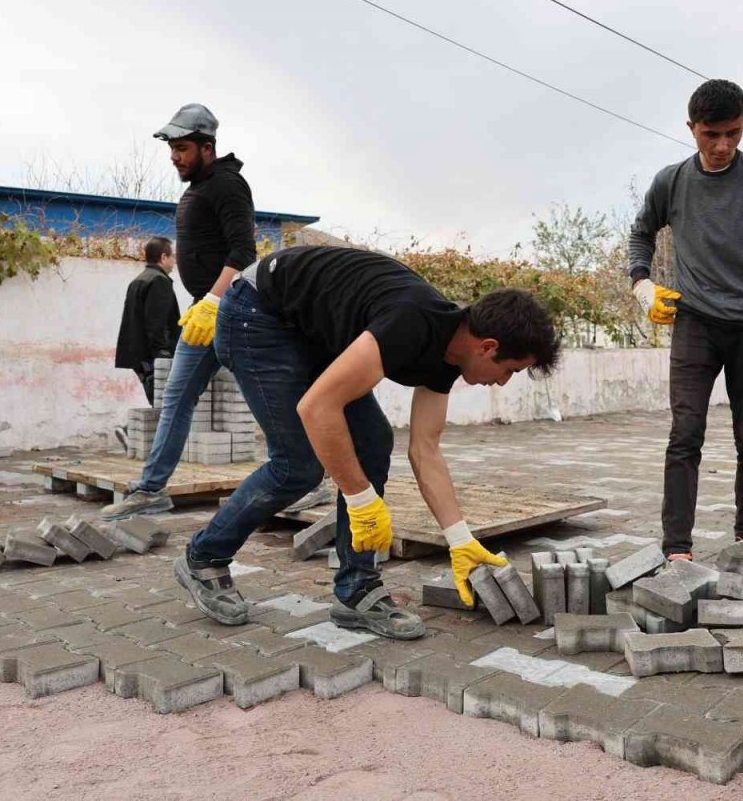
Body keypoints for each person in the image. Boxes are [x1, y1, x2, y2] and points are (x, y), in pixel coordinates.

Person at [173, 245, 562, 639]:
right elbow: (317, 408)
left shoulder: (447, 353)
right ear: (488, 346)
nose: (503, 382)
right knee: (298, 464)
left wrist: (460, 540)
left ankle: (356, 591)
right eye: (510, 370)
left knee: (373, 441)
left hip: (307, 329)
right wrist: (360, 500)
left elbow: (425, 449)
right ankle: (204, 558)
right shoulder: (410, 322)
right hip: (256, 313)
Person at [626, 79, 743, 563]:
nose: (722, 145)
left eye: (733, 133)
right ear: (692, 129)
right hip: (695, 327)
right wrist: (641, 284)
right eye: (711, 135)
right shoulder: (671, 181)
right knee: (685, 435)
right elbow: (641, 234)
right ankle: (677, 549)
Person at [101, 103, 258, 519]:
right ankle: (151, 489)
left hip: (234, 309)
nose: (174, 155)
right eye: (172, 147)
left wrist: (213, 300)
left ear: (207, 148)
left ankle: (307, 480)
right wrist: (203, 305)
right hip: (203, 312)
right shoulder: (198, 188)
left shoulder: (228, 185)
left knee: (272, 398)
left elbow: (244, 252)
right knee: (177, 397)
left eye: (183, 147)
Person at [114, 236, 181, 405]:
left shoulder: (138, 280)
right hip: (153, 357)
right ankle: (129, 430)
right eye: (172, 256)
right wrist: (163, 355)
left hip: (138, 356)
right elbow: (156, 322)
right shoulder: (159, 281)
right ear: (163, 257)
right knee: (166, 404)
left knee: (159, 402)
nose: (174, 261)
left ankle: (132, 430)